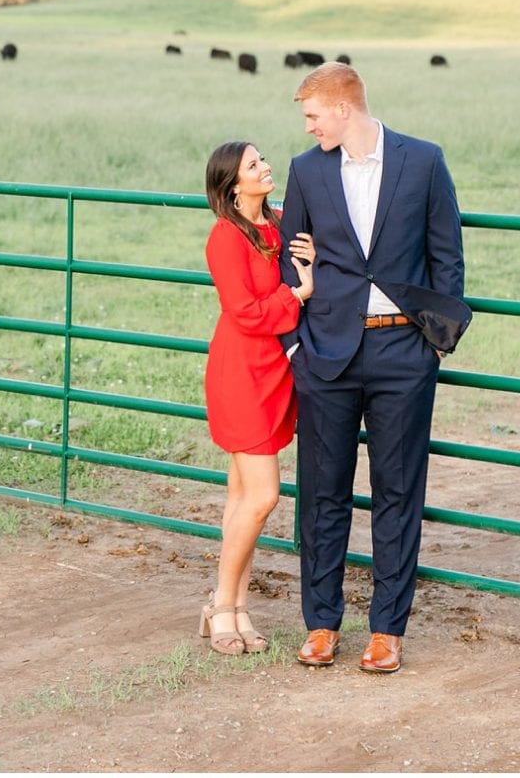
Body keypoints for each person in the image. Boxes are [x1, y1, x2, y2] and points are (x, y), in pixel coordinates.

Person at [277, 63, 463, 675]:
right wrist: (297, 346)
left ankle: (387, 629)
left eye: (312, 116)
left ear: (343, 108)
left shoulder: (424, 161)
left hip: (402, 354)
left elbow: (446, 256)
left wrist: (436, 344)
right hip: (325, 354)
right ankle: (321, 622)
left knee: (398, 489)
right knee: (322, 492)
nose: (307, 129)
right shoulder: (307, 172)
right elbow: (290, 262)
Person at [199, 140, 316, 655]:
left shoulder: (278, 223)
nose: (266, 167)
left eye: (263, 160)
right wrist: (297, 294)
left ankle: (235, 608)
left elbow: (301, 255)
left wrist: (307, 258)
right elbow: (245, 311)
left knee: (241, 497)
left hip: (273, 369)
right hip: (242, 370)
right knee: (264, 496)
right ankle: (223, 603)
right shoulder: (225, 238)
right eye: (254, 165)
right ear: (232, 184)